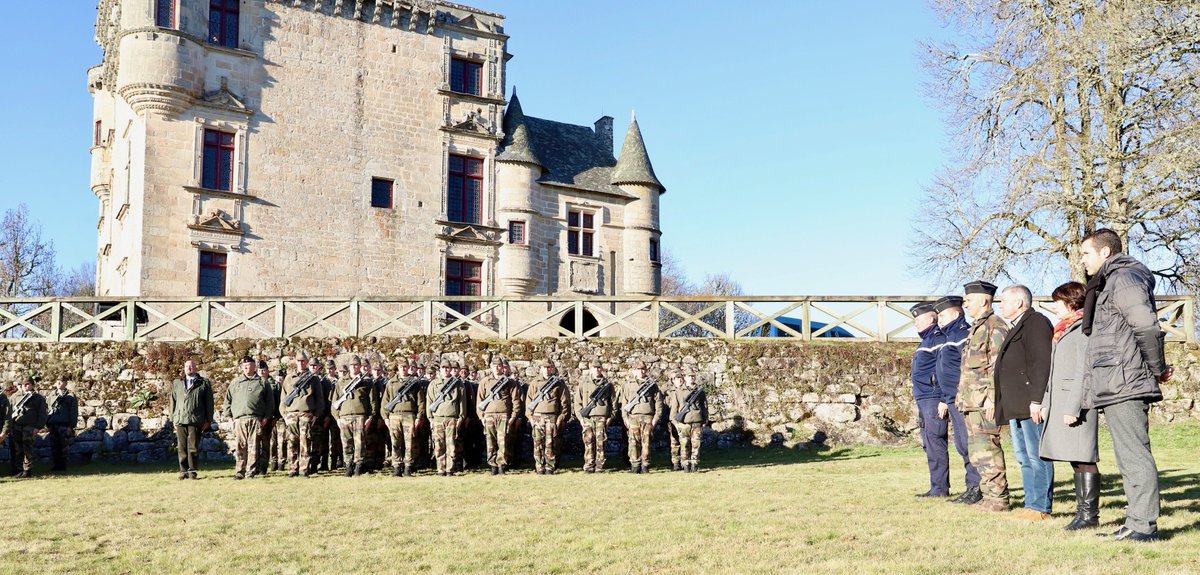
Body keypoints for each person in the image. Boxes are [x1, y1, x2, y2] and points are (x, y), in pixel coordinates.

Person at [1079, 229, 1170, 542]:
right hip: (1116, 379)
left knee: (1134, 454)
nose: (1082, 260)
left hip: (1126, 379)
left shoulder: (1125, 277)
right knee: (1126, 455)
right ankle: (1135, 521)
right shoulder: (1109, 280)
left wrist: (1157, 368)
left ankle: (1144, 526)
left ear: (1105, 253)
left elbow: (1145, 325)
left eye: (1086, 253)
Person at [1038, 281, 1101, 531]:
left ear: (1071, 302)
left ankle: (1089, 515)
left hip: (1077, 401)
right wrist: (1046, 402)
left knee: (1083, 456)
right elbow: (1053, 371)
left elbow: (1083, 371)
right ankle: (1084, 513)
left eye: (1058, 303)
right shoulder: (1063, 328)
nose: (1054, 308)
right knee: (1075, 459)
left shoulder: (1084, 327)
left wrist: (1073, 407)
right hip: (1060, 399)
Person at [994, 284, 1054, 521]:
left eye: (1004, 301)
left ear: (1019, 302)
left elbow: (1042, 362)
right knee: (1023, 456)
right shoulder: (1017, 325)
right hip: (1016, 405)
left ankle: (1041, 507)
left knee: (1036, 456)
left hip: (1030, 404)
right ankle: (1031, 504)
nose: (1000, 305)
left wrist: (1037, 399)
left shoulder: (1036, 322)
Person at [956, 280, 1011, 512]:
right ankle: (989, 497)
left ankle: (998, 500)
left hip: (984, 402)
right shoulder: (976, 328)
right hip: (971, 401)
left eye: (968, 301)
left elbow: (1000, 365)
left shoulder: (995, 326)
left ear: (983, 301)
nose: (965, 305)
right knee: (978, 452)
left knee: (988, 449)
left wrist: (993, 398)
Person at [933, 296, 982, 504]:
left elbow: (967, 367)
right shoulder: (948, 336)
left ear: (955, 314)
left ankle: (977, 488)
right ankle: (972, 486)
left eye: (942, 315)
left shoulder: (962, 334)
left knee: (969, 444)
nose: (939, 320)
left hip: (963, 398)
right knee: (962, 444)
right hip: (952, 398)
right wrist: (945, 398)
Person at [908, 302, 950, 497]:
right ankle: (937, 486)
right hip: (924, 397)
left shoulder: (938, 339)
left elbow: (943, 369)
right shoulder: (926, 340)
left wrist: (943, 397)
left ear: (931, 319)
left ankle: (940, 488)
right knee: (929, 443)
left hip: (933, 397)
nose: (915, 324)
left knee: (935, 441)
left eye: (918, 320)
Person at [223, 355, 273, 479]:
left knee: (253, 447)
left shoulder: (262, 382)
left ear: (254, 366)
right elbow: (227, 401)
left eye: (249, 365)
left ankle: (251, 471)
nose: (246, 368)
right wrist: (229, 417)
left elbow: (270, 402)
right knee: (240, 446)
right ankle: (240, 471)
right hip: (239, 419)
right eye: (244, 366)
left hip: (255, 419)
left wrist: (266, 417)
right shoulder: (235, 383)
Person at [280, 351, 326, 478]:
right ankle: (292, 469)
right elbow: (283, 399)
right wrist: (285, 415)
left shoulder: (313, 379)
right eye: (299, 361)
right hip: (291, 415)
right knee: (291, 442)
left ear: (307, 362)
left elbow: (319, 399)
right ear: (295, 362)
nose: (301, 363)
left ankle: (304, 470)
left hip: (306, 414)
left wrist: (315, 415)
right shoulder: (289, 378)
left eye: (303, 361)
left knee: (305, 443)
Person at [334, 355, 379, 477]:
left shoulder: (367, 382)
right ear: (349, 367)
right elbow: (334, 402)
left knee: (360, 443)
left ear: (360, 366)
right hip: (344, 417)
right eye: (352, 365)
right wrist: (337, 418)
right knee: (346, 443)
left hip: (360, 416)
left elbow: (373, 402)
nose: (354, 367)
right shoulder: (341, 382)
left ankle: (358, 466)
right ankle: (348, 466)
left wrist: (370, 417)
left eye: (357, 365)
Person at [169, 360, 214, 480]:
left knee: (193, 447)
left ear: (196, 368)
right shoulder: (177, 383)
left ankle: (192, 471)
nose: (189, 368)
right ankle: (183, 471)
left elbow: (209, 403)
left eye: (192, 366)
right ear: (184, 368)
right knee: (181, 447)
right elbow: (172, 401)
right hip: (180, 419)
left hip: (196, 420)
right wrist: (173, 418)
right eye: (187, 366)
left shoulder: (203, 383)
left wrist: (208, 420)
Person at [526, 361, 571, 475]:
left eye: (549, 367)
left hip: (552, 416)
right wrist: (530, 417)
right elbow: (529, 401)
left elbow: (564, 402)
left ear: (552, 369)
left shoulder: (559, 383)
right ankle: (539, 467)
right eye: (544, 367)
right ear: (541, 368)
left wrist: (561, 417)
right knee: (537, 443)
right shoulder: (535, 383)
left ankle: (550, 467)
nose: (547, 370)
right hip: (537, 416)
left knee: (551, 443)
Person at [382, 360, 426, 477]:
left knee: (410, 443)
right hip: (394, 416)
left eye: (406, 367)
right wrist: (385, 418)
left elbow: (420, 402)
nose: (404, 369)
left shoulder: (414, 383)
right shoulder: (391, 383)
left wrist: (419, 417)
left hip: (409, 415)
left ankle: (408, 467)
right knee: (395, 442)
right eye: (401, 367)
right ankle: (397, 466)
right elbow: (385, 402)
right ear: (398, 368)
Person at [477, 357, 518, 475]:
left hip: (503, 415)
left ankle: (501, 466)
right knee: (490, 441)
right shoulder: (485, 381)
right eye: (494, 366)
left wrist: (513, 417)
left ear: (502, 367)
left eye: (499, 366)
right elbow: (479, 400)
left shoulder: (509, 382)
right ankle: (492, 466)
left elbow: (515, 401)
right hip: (488, 416)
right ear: (491, 367)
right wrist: (481, 417)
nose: (497, 368)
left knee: (503, 441)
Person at [426, 361, 468, 476]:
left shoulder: (458, 384)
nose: (445, 370)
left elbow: (462, 402)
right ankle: (441, 469)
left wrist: (461, 417)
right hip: (438, 418)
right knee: (439, 445)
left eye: (447, 368)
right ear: (440, 369)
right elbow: (429, 401)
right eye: (443, 368)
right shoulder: (434, 384)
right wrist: (430, 418)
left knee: (451, 445)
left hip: (452, 418)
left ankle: (450, 469)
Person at [620, 361, 663, 474]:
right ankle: (635, 465)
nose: (641, 371)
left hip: (648, 417)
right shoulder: (628, 384)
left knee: (646, 442)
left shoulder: (652, 385)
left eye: (643, 369)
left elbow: (658, 402)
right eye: (638, 369)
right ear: (634, 370)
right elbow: (624, 403)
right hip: (633, 417)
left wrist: (655, 418)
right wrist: (625, 418)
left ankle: (645, 465)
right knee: (633, 442)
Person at [575, 361, 616, 473]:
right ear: (590, 368)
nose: (597, 370)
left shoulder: (608, 385)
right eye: (595, 367)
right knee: (588, 442)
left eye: (599, 367)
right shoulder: (584, 383)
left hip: (602, 418)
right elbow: (577, 403)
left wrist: (609, 418)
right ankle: (589, 465)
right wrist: (581, 418)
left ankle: (599, 466)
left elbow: (613, 404)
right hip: (588, 418)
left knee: (601, 443)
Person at [667, 369, 708, 472]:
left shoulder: (699, 391)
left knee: (696, 444)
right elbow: (674, 411)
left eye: (693, 376)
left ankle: (694, 464)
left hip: (697, 422)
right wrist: (676, 424)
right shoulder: (679, 392)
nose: (692, 378)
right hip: (683, 423)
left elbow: (704, 407)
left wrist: (705, 420)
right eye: (689, 376)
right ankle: (685, 464)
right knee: (684, 445)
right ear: (684, 377)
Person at [9, 376, 48, 479]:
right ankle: (18, 469)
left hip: (29, 427)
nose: (25, 386)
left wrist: (38, 427)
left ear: (32, 385)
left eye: (27, 384)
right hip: (16, 427)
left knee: (28, 449)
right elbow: (8, 412)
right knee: (17, 449)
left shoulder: (38, 398)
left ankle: (27, 470)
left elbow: (42, 414)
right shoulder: (14, 397)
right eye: (23, 384)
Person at [46, 375, 79, 473]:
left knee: (64, 446)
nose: (59, 383)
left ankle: (63, 465)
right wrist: (47, 423)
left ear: (65, 383)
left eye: (61, 381)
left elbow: (73, 412)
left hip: (64, 424)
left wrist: (71, 426)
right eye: (57, 381)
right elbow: (47, 410)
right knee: (54, 446)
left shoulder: (70, 396)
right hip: (52, 424)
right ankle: (56, 465)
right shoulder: (51, 395)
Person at [256, 360, 281, 475]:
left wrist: (275, 417)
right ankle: (255, 465)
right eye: (260, 370)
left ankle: (263, 467)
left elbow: (278, 401)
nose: (261, 372)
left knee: (266, 443)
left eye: (264, 370)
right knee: (255, 443)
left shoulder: (274, 384)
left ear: (267, 370)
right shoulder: (254, 382)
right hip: (257, 417)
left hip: (269, 418)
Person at [665, 371, 684, 471]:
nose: (680, 380)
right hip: (672, 420)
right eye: (677, 378)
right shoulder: (669, 392)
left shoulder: (687, 390)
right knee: (674, 442)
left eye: (681, 378)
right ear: (673, 380)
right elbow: (665, 405)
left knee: (685, 442)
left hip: (685, 420)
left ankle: (684, 461)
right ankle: (675, 462)